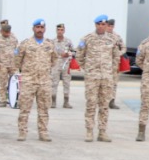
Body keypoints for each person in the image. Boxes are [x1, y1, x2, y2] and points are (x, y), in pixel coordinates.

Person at [78, 14, 123, 142]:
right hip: (92, 77)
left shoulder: (112, 40)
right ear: (95, 25)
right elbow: (79, 56)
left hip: (107, 77)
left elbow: (116, 57)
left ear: (106, 25)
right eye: (99, 24)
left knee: (104, 105)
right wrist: (88, 69)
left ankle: (102, 132)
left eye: (104, 24)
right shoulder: (87, 39)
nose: (101, 26)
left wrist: (111, 71)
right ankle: (89, 131)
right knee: (91, 103)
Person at [14, 19, 59, 141]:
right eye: (37, 27)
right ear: (33, 28)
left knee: (44, 109)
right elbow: (17, 59)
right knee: (24, 108)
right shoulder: (26, 44)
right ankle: (22, 132)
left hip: (44, 81)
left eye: (42, 27)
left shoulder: (49, 44)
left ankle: (43, 132)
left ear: (45, 29)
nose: (40, 29)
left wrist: (45, 70)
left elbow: (54, 60)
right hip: (29, 80)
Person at [0, 20, 19, 104]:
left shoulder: (14, 38)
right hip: (2, 64)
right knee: (3, 83)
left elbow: (17, 50)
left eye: (8, 32)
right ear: (2, 31)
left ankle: (12, 99)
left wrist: (17, 62)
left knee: (14, 82)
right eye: (5, 32)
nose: (7, 34)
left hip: (12, 64)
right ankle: (2, 100)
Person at [51, 23, 75, 108]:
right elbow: (49, 53)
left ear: (64, 31)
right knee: (54, 82)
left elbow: (73, 51)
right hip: (56, 64)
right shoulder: (52, 42)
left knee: (66, 82)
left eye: (61, 30)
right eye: (58, 30)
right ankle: (53, 101)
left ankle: (66, 101)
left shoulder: (68, 41)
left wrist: (68, 53)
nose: (60, 31)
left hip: (66, 64)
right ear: (56, 31)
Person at [108, 17, 125, 109]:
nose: (110, 28)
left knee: (114, 83)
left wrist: (119, 53)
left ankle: (112, 101)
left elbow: (123, 48)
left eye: (112, 26)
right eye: (109, 26)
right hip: (104, 64)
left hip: (114, 64)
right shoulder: (103, 36)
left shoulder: (117, 37)